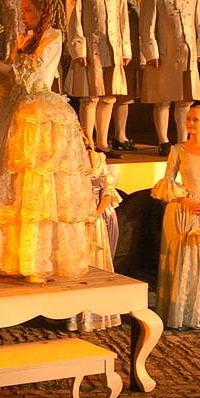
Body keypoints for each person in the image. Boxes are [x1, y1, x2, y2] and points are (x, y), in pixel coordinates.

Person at [0, 0, 96, 283]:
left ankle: (34, 261)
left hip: (38, 115)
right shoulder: (24, 38)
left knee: (34, 188)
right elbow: (11, 79)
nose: (23, 16)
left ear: (42, 12)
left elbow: (31, 77)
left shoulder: (53, 37)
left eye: (27, 11)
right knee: (0, 186)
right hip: (12, 111)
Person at [64, 0, 131, 159]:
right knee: (90, 97)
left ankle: (103, 142)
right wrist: (78, 50)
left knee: (109, 96)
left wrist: (125, 49)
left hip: (112, 46)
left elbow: (123, 18)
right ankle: (88, 143)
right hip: (91, 47)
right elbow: (73, 18)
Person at [140, 0, 200, 157]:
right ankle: (163, 140)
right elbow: (147, 27)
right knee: (163, 98)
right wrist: (151, 53)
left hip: (188, 53)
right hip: (164, 54)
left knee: (185, 99)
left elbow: (199, 22)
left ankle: (182, 141)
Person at [152, 104, 200, 330]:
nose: (189, 123)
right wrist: (185, 200)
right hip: (187, 211)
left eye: (195, 119)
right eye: (188, 119)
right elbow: (168, 180)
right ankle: (184, 314)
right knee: (188, 262)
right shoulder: (178, 149)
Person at [67, 133, 122, 332]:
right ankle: (76, 315)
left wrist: (95, 214)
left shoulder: (98, 160)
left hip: (95, 220)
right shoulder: (66, 162)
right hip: (75, 220)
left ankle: (98, 312)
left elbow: (107, 192)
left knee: (97, 265)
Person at [105, 0, 141, 152]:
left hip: (127, 53)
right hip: (107, 51)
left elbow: (138, 27)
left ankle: (121, 135)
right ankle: (102, 137)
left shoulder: (131, 0)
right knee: (106, 95)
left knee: (124, 97)